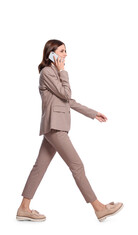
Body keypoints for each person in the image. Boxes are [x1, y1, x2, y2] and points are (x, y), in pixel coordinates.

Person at [16, 39, 123, 222]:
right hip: (55, 127)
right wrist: (63, 71)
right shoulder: (48, 72)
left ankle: (23, 208)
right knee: (77, 166)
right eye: (62, 51)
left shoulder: (54, 74)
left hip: (55, 126)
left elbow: (68, 101)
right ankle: (99, 208)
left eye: (66, 51)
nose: (66, 54)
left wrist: (92, 113)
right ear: (52, 53)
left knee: (39, 167)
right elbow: (66, 94)